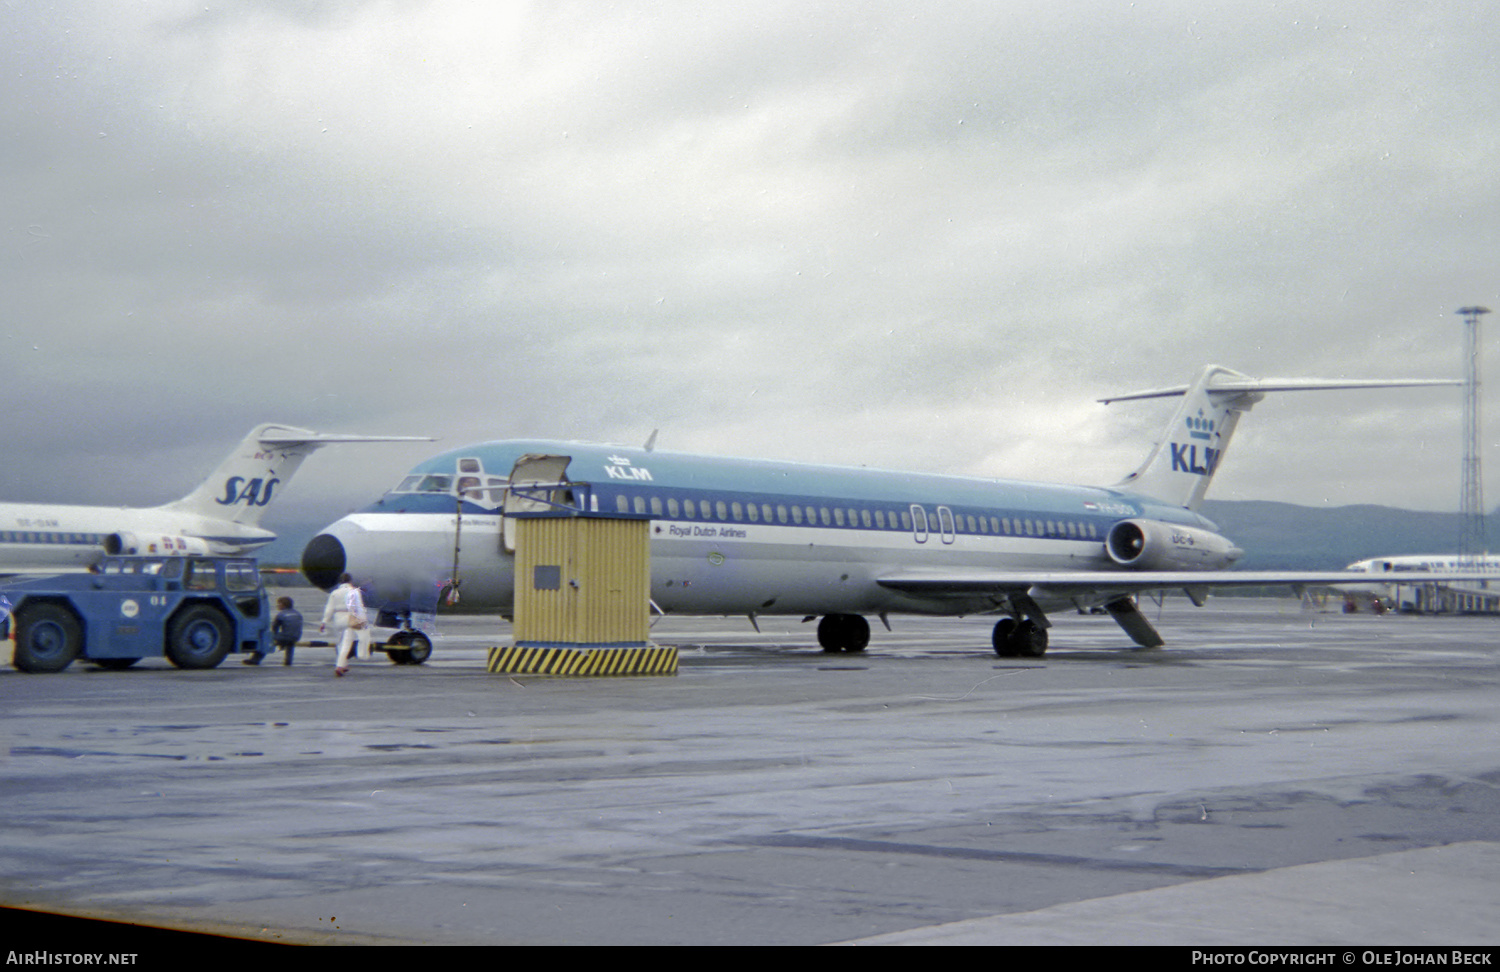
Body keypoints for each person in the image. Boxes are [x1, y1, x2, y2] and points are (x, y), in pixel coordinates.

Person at [321, 573, 371, 676]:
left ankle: (344, 664)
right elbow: (359, 607)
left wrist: (324, 622)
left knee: (340, 642)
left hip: (338, 617)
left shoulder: (334, 592)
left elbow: (329, 608)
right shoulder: (354, 592)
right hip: (349, 617)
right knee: (347, 643)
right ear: (350, 581)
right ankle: (339, 666)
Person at [271, 596, 303, 666]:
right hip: (296, 636)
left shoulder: (281, 614)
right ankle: (288, 661)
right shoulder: (298, 613)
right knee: (290, 642)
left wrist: (274, 638)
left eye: (278, 604)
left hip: (286, 636)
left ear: (283, 605)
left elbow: (274, 627)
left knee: (265, 638)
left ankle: (255, 659)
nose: (277, 606)